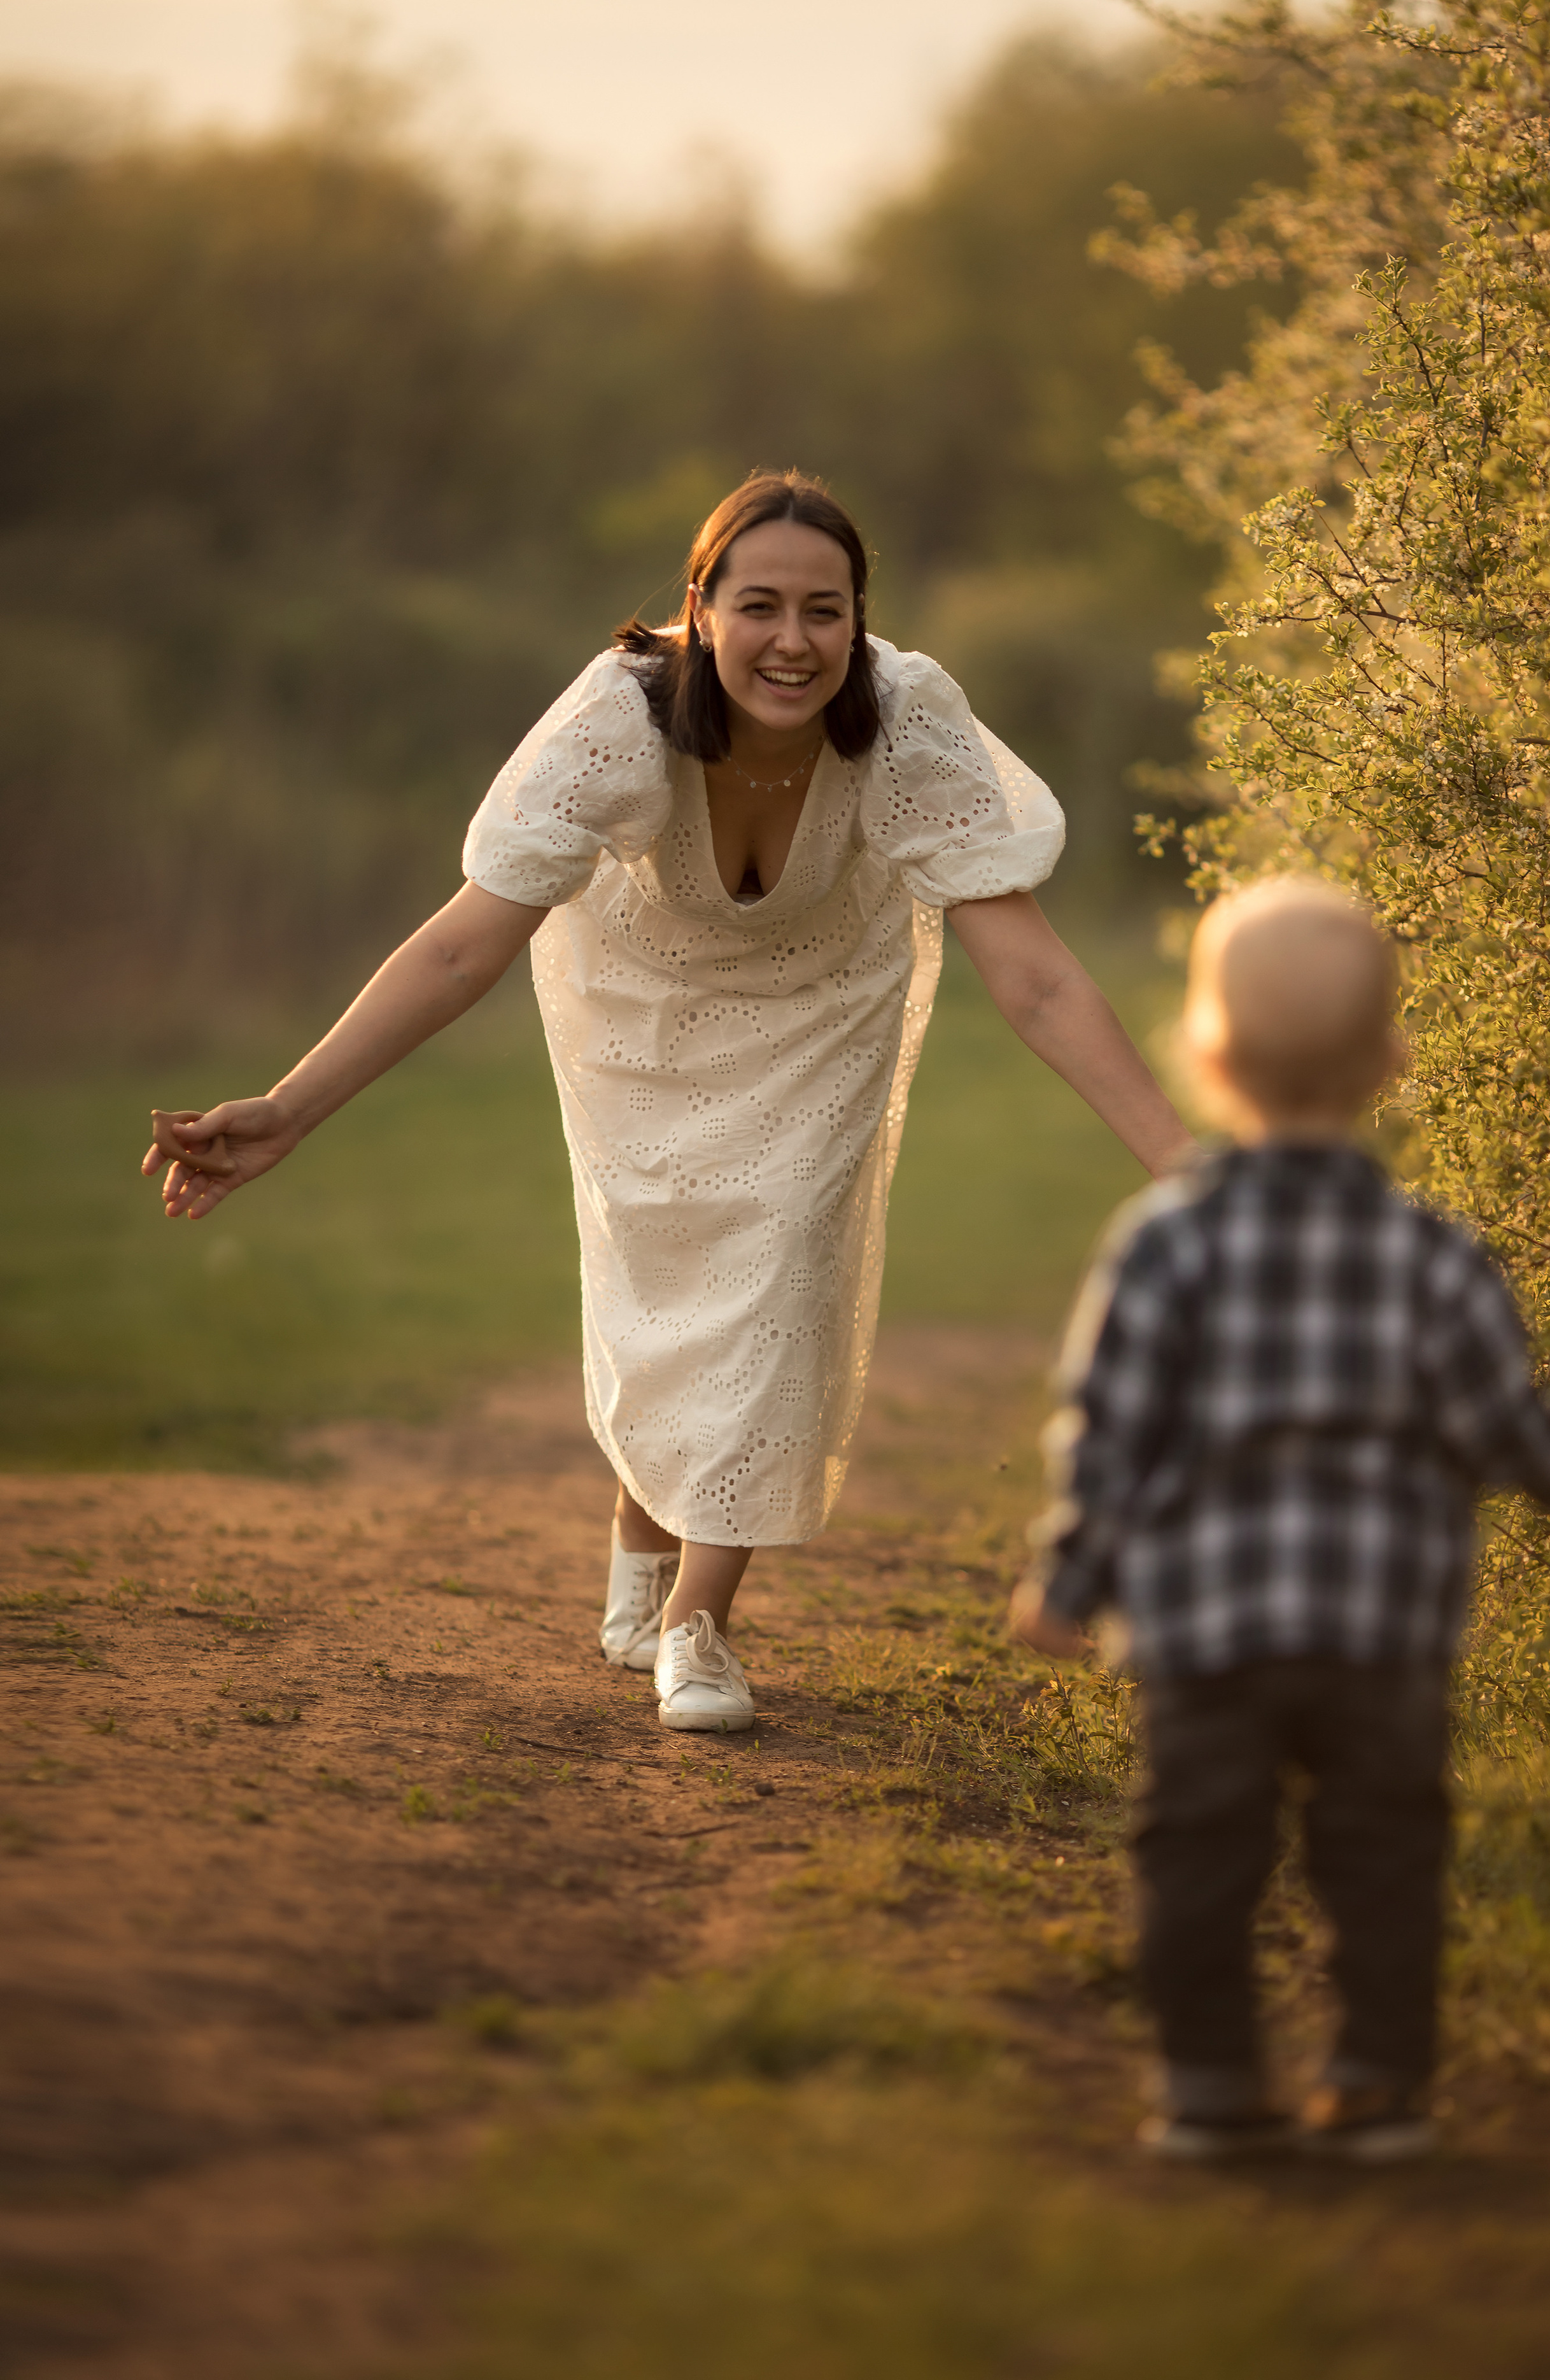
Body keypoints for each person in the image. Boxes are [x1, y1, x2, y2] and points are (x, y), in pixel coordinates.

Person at [145, 469, 1192, 1734]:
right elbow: (460, 946)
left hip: (824, 1005)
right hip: (637, 1002)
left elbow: (1029, 977)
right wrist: (292, 1107)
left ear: (860, 619)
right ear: (699, 606)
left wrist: (1187, 1163)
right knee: (668, 1283)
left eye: (825, 611)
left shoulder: (905, 716)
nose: (793, 643)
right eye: (758, 606)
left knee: (785, 1258)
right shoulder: (622, 714)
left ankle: (695, 1627)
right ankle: (639, 1540)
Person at [1012, 877, 1550, 2162]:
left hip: (1202, 1630)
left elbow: (1108, 1427)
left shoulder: (1163, 1244)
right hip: (1381, 1628)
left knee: (1198, 1851)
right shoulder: (1432, 1255)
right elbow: (1498, 1416)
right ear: (1387, 1059)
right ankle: (1377, 2077)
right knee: (1382, 1848)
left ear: (1206, 1057)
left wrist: (1071, 1577)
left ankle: (1210, 2081)